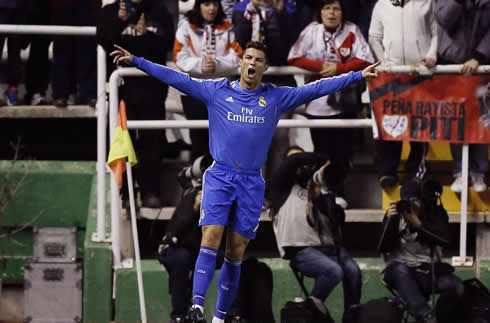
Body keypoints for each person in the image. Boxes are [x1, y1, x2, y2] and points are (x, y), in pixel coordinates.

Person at [110, 40, 380, 323]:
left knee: (235, 251)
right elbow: (176, 77)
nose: (252, 63)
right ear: (240, 63)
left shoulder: (275, 97)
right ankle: (196, 308)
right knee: (211, 236)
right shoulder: (217, 91)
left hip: (251, 183)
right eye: (248, 58)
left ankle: (219, 318)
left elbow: (316, 88)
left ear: (265, 67)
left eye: (258, 60)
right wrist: (137, 60)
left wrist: (358, 75)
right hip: (220, 177)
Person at [287, 0, 374, 204]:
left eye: (336, 9)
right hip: (317, 105)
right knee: (321, 154)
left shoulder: (352, 30)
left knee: (342, 154)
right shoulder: (312, 30)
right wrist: (320, 67)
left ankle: (339, 194)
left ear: (343, 12)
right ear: (320, 12)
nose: (332, 13)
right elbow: (294, 57)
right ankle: (323, 194)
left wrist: (339, 69)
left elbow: (366, 60)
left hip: (345, 104)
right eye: (327, 8)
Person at [97, 0, 175, 208]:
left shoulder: (159, 12)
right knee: (120, 141)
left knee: (153, 142)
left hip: (152, 90)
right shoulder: (110, 12)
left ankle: (150, 191)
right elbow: (105, 41)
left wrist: (145, 36)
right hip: (122, 90)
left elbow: (167, 44)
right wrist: (120, 21)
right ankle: (122, 192)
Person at [271, 145, 362, 323]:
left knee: (353, 271)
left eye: (306, 163)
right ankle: (308, 314)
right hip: (300, 249)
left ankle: (351, 318)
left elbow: (338, 219)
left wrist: (321, 198)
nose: (302, 165)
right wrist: (322, 159)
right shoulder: (280, 187)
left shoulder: (320, 187)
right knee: (333, 271)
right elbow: (294, 161)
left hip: (329, 247)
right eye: (298, 161)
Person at [232, 0, 300, 198]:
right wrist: (251, 10)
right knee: (254, 139)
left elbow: (287, 47)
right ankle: (254, 193)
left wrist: (279, 14)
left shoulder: (287, 7)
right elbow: (241, 40)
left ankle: (275, 194)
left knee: (280, 140)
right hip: (253, 85)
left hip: (281, 84)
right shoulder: (242, 8)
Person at [369, 0, 438, 188]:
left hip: (420, 74)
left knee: (420, 123)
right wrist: (384, 63)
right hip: (392, 76)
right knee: (391, 121)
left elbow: (436, 31)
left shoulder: (427, 2)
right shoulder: (381, 4)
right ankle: (387, 171)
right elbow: (374, 36)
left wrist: (432, 55)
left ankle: (415, 171)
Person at [378, 180, 464, 323]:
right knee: (400, 269)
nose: (412, 205)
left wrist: (419, 225)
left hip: (427, 271)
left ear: (422, 200)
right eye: (407, 201)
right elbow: (382, 247)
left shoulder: (435, 213)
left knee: (458, 286)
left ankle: (437, 316)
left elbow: (447, 240)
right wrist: (389, 220)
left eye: (415, 200)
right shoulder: (396, 215)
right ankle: (426, 316)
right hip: (398, 271)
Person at [174, 0, 242, 161]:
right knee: (198, 137)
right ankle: (198, 183)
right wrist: (202, 65)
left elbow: (238, 56)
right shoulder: (185, 25)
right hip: (193, 90)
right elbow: (179, 57)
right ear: (199, 6)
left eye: (215, 4)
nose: (211, 8)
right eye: (206, 4)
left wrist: (217, 64)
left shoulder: (227, 26)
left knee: (223, 140)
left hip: (222, 90)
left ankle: (221, 183)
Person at [434, 0, 489, 193]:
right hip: (452, 64)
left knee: (481, 118)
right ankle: (459, 170)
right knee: (454, 119)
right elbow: (443, 19)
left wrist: (479, 57)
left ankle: (479, 172)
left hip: (481, 66)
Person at [50, 0, 100, 107]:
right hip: (61, 6)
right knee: (62, 48)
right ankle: (61, 94)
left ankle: (88, 94)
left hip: (88, 6)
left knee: (87, 48)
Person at [0, 0, 28, 106]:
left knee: (16, 50)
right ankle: (12, 92)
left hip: (19, 7)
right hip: (13, 7)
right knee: (15, 51)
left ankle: (12, 91)